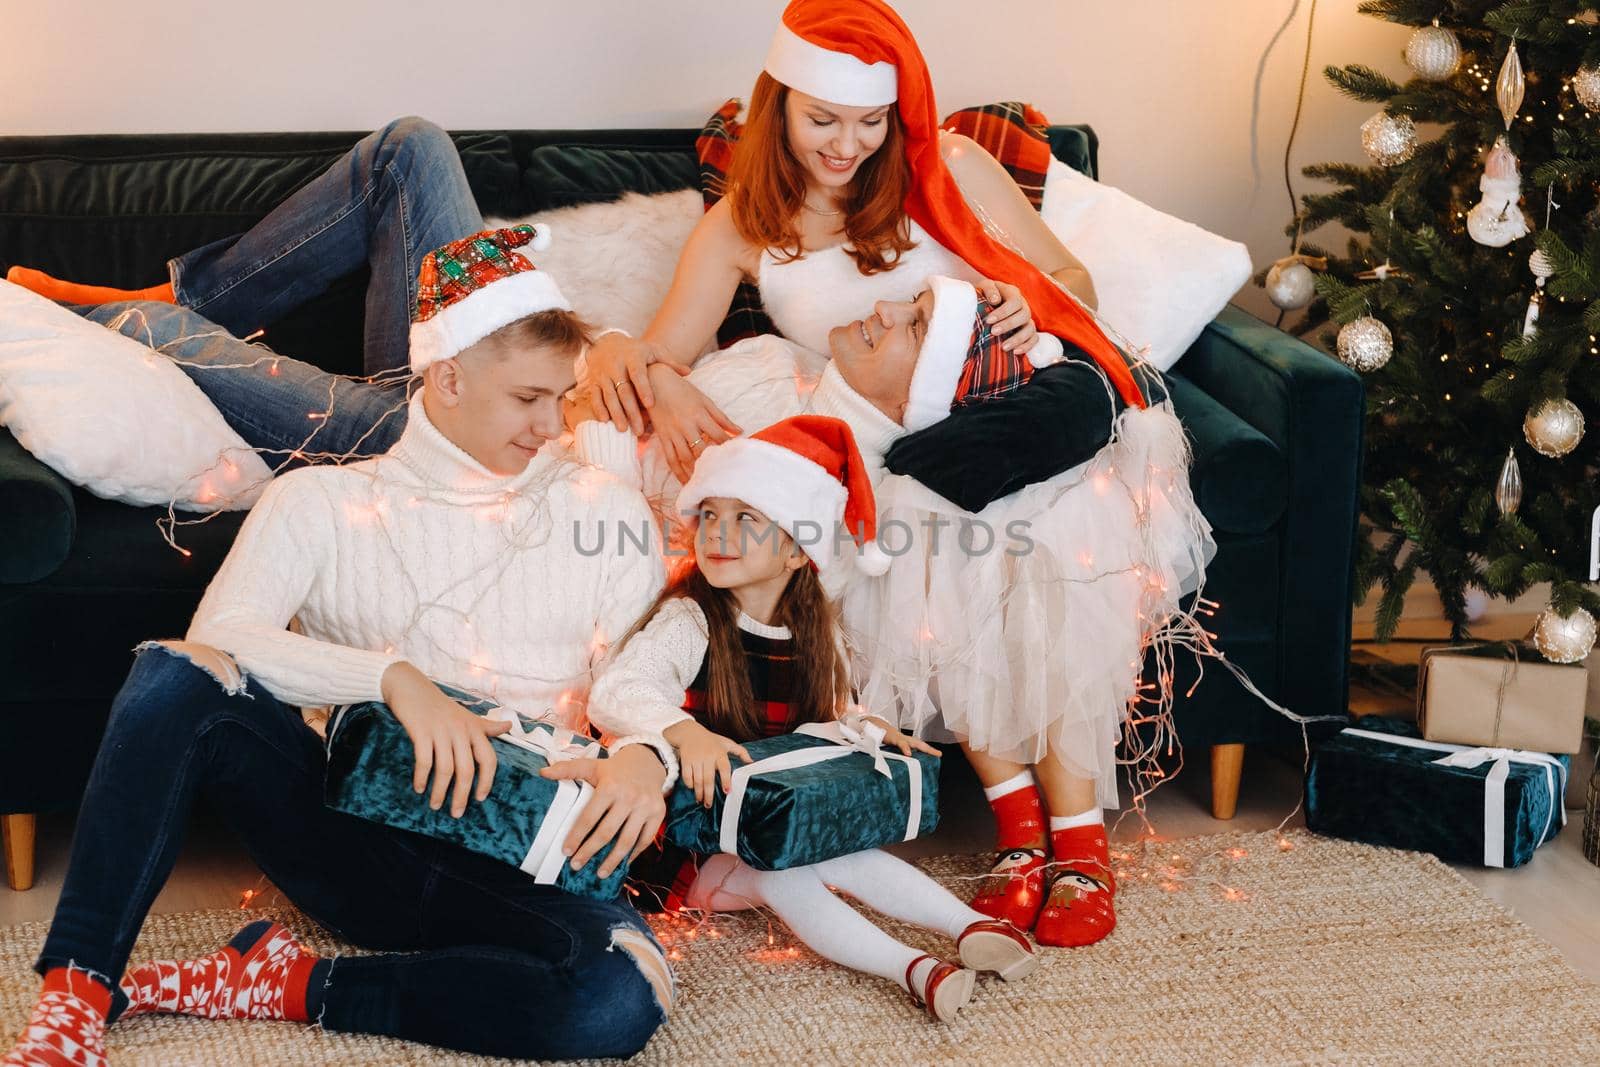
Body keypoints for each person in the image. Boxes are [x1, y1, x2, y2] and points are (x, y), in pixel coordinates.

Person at [575, 0, 1214, 952]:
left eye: (869, 123)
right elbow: (661, 347)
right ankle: (1018, 834)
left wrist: (1013, 289)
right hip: (884, 443)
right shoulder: (743, 226)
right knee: (929, 538)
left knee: (1060, 528)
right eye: (822, 121)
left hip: (1012, 413)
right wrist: (658, 378)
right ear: (778, 106)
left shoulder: (950, 167)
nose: (847, 145)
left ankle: (1081, 838)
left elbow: (1073, 288)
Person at [1, 230, 679, 1067]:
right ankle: (76, 993)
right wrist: (392, 678)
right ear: (449, 377)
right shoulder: (320, 501)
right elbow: (218, 642)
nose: (552, 424)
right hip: (351, 844)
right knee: (175, 673)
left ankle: (294, 984)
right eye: (528, 398)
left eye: (561, 395)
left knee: (621, 997)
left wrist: (648, 752)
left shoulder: (604, 511)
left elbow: (643, 669)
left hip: (526, 862)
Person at [587, 415, 1038, 1024]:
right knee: (786, 876)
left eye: (747, 519)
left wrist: (868, 728)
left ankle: (971, 927)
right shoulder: (691, 620)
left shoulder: (813, 629)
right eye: (712, 515)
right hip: (692, 843)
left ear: (798, 551)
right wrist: (683, 731)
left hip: (774, 821)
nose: (719, 533)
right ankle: (911, 969)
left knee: (839, 856)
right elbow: (617, 690)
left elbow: (826, 713)